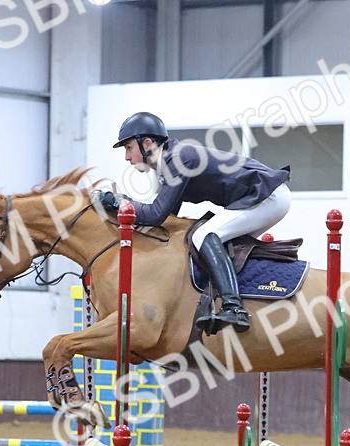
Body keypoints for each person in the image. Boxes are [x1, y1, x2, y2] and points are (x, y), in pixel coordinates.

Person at [97, 112, 291, 334]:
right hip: (262, 198)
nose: (127, 157)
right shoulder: (170, 164)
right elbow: (166, 218)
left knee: (204, 235)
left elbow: (155, 215)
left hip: (267, 197)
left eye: (129, 148)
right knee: (219, 242)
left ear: (147, 143)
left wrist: (120, 203)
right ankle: (243, 300)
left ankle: (233, 308)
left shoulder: (179, 159)